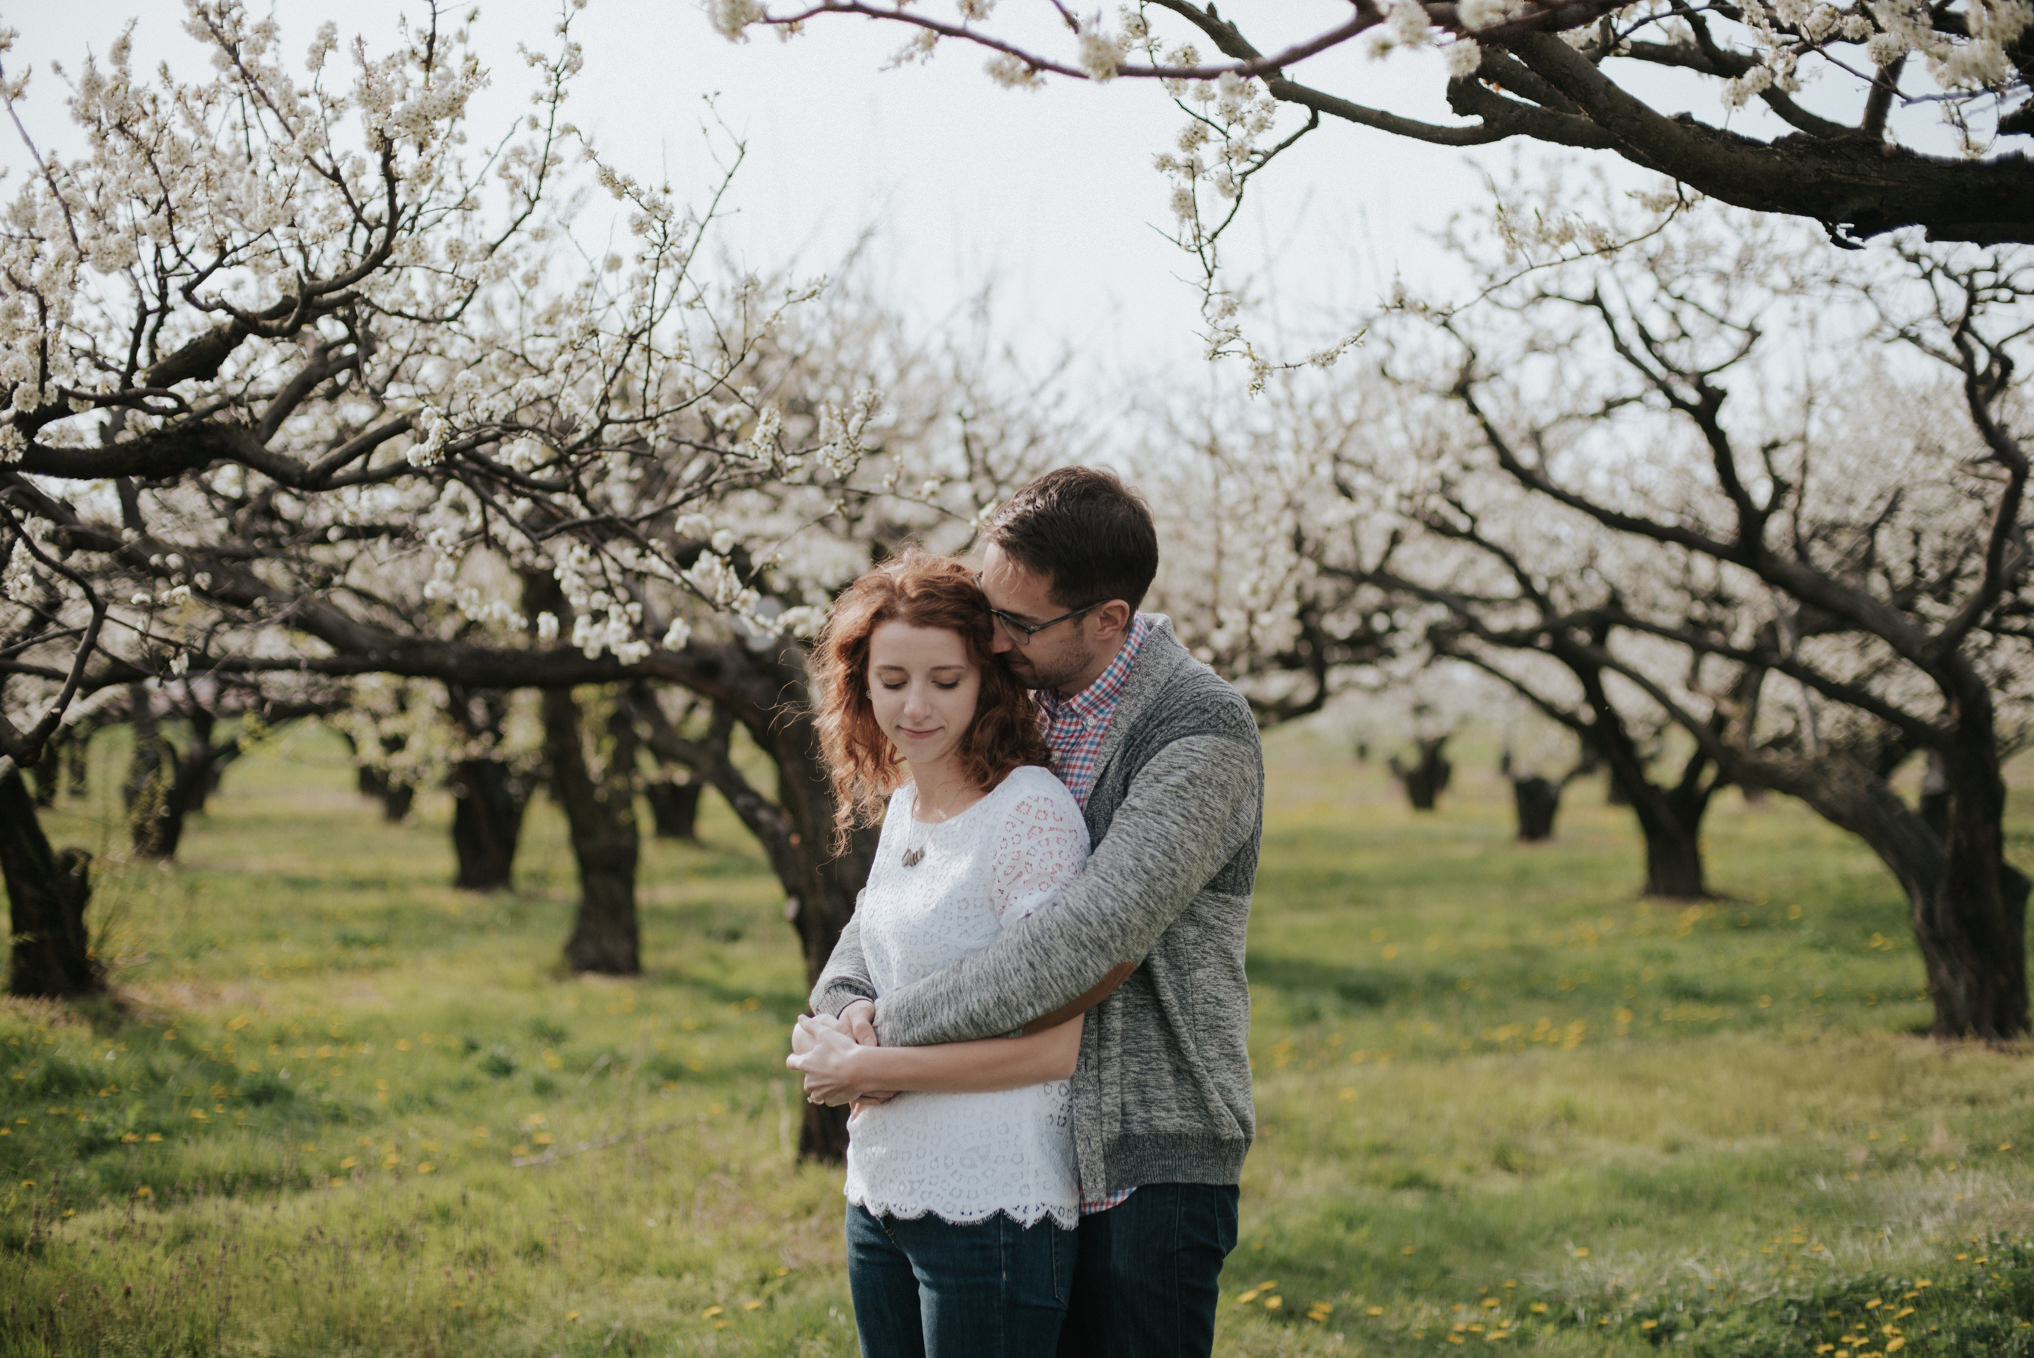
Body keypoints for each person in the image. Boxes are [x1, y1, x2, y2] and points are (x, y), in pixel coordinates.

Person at [807, 466, 1265, 1358]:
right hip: (1027, 1141)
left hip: (1144, 1156)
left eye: (1016, 624)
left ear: (1107, 622)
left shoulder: (1197, 733)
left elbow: (1084, 945)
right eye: (989, 606)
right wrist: (838, 1008)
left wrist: (880, 1043)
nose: (995, 639)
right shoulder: (1022, 704)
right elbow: (906, 885)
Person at [789, 550, 1102, 1358]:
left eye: (945, 681)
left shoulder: (1030, 813)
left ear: (987, 682)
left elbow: (1055, 1045)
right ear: (861, 685)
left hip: (992, 1210)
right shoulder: (903, 807)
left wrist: (869, 1068)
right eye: (892, 681)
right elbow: (871, 959)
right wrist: (845, 1023)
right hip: (881, 1192)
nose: (915, 706)